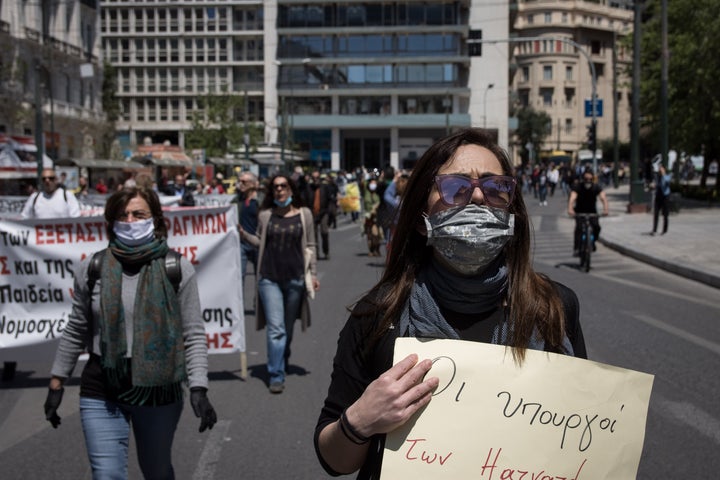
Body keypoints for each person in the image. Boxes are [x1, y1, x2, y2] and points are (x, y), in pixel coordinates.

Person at [313, 128, 587, 478]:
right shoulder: (380, 315)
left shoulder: (555, 307)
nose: (477, 197)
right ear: (419, 222)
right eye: (455, 188)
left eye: (495, 188)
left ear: (511, 209)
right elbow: (336, 460)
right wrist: (359, 421)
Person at [43, 187, 217, 479]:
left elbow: (194, 333)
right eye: (122, 215)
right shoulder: (93, 267)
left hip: (159, 390)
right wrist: (57, 382)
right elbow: (77, 328)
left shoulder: (176, 267)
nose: (130, 220)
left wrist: (199, 388)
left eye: (139, 214)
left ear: (155, 219)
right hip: (103, 388)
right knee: (107, 474)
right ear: (110, 222)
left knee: (156, 471)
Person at [244, 173, 320, 394]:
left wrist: (313, 275)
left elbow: (311, 245)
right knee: (276, 329)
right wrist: (243, 235)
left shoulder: (304, 214)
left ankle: (282, 355)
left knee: (287, 328)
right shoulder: (265, 215)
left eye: (283, 186)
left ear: (291, 189)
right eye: (275, 187)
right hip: (269, 279)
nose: (279, 190)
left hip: (296, 278)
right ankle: (276, 373)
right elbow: (260, 241)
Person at [567, 169, 609, 255]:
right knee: (578, 229)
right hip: (579, 211)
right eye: (586, 179)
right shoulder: (578, 186)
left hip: (592, 212)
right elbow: (572, 198)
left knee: (597, 227)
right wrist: (570, 209)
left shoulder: (596, 187)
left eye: (590, 179)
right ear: (583, 179)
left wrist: (606, 209)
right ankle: (577, 248)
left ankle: (592, 242)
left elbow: (603, 198)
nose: (588, 181)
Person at [234, 171, 261, 281]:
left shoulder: (261, 200)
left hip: (258, 242)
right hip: (242, 244)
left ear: (254, 184)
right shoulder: (237, 200)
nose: (240, 184)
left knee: (261, 278)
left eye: (244, 181)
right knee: (239, 278)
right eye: (239, 181)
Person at [308, 170, 334, 259]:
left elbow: (330, 200)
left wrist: (330, 211)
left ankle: (326, 252)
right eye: (313, 178)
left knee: (324, 232)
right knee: (313, 235)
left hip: (324, 212)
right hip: (312, 213)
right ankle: (316, 253)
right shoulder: (309, 188)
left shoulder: (325, 187)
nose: (315, 180)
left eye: (317, 178)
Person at [361, 176, 383, 257]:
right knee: (369, 235)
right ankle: (371, 250)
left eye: (374, 183)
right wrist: (367, 175)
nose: (373, 184)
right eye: (371, 183)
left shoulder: (378, 192)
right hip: (368, 216)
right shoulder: (366, 192)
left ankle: (377, 248)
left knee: (377, 234)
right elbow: (363, 182)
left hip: (377, 216)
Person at [651, 163, 672, 235]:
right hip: (658, 195)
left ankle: (664, 230)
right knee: (656, 213)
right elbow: (656, 184)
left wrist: (663, 175)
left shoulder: (667, 176)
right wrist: (654, 185)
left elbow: (667, 182)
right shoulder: (657, 176)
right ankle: (654, 230)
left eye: (661, 168)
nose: (660, 170)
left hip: (665, 196)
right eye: (659, 168)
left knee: (665, 214)